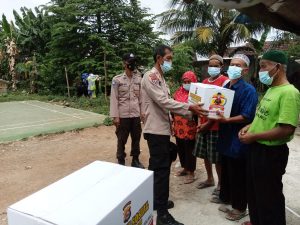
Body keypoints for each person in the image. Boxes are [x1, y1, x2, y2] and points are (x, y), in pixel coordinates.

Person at [142, 44, 208, 225]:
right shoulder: (151, 76)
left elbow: (166, 103)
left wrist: (190, 111)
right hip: (155, 130)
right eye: (168, 58)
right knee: (162, 169)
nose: (170, 61)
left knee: (159, 165)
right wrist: (189, 108)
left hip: (160, 129)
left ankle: (156, 201)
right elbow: (164, 101)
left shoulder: (161, 78)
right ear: (158, 58)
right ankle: (162, 215)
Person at [239, 50, 300, 225]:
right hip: (257, 148)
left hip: (271, 152)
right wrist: (249, 127)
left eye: (264, 66)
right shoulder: (272, 89)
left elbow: (287, 128)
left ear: (278, 67)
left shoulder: (289, 93)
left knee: (269, 197)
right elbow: (264, 116)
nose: (260, 71)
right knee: (255, 192)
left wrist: (254, 136)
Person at [210, 54, 258, 221]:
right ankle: (229, 199)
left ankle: (239, 207)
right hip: (225, 136)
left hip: (238, 138)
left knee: (238, 175)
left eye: (238, 65)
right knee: (228, 173)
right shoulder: (226, 87)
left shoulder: (249, 90)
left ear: (245, 70)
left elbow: (247, 116)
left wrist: (227, 120)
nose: (234, 67)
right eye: (232, 64)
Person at [193, 55, 229, 194]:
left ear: (221, 67)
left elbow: (221, 107)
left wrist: (208, 123)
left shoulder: (224, 82)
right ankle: (210, 179)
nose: (212, 68)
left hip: (215, 126)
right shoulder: (205, 81)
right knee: (205, 155)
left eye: (215, 65)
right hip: (203, 124)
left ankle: (220, 183)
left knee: (216, 157)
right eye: (210, 65)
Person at [110, 53, 144, 168]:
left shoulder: (139, 79)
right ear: (124, 63)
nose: (132, 64)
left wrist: (142, 113)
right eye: (130, 61)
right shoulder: (117, 79)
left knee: (136, 138)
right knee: (121, 139)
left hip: (135, 115)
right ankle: (121, 160)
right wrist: (115, 116)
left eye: (134, 61)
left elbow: (141, 98)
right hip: (123, 115)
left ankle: (135, 159)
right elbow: (114, 99)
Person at [173, 71, 198, 184]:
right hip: (178, 127)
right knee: (181, 148)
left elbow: (199, 112)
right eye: (185, 82)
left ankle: (191, 172)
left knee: (190, 149)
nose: (187, 83)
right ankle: (185, 167)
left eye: (189, 81)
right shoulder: (178, 92)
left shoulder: (197, 94)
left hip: (191, 127)